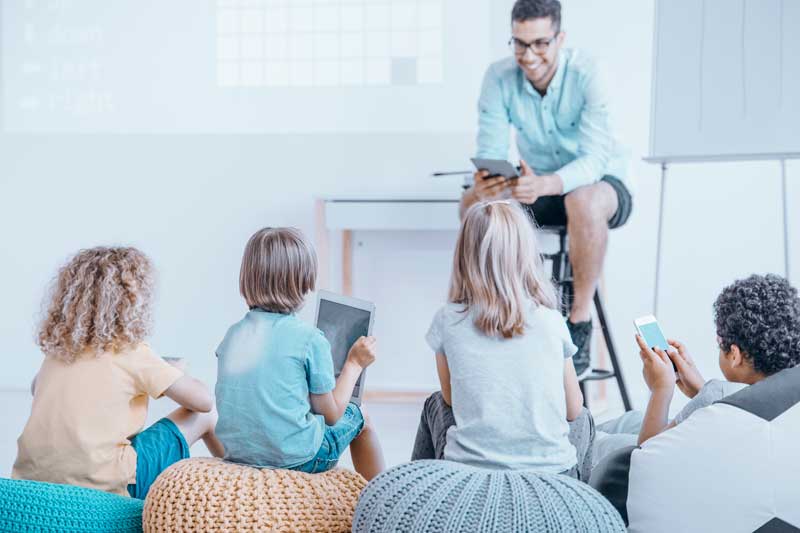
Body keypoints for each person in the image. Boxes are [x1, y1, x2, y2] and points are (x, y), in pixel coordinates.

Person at [460, 0, 633, 378]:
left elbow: (593, 160)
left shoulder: (589, 74)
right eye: (520, 44)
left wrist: (547, 183)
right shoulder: (498, 76)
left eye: (540, 44)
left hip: (599, 185)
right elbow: (489, 150)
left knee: (581, 198)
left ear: (560, 39)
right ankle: (496, 312)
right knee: (473, 202)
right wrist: (491, 180)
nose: (529, 55)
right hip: (536, 185)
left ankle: (580, 322)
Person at [12, 247, 223, 499]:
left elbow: (37, 388)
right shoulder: (132, 352)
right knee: (207, 416)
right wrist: (172, 372)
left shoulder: (58, 352)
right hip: (107, 485)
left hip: (31, 483)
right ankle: (248, 484)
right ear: (133, 302)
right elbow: (202, 401)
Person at [411, 201, 593, 480]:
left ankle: (420, 491)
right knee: (584, 417)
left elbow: (450, 399)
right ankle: (580, 500)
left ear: (463, 257)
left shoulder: (448, 319)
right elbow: (572, 408)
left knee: (435, 403)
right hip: (554, 474)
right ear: (528, 256)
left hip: (469, 473)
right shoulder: (550, 320)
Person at [214, 227, 385, 480]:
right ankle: (382, 501)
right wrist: (354, 364)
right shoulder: (309, 339)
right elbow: (331, 415)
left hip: (239, 454)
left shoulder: (232, 334)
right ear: (305, 280)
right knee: (361, 416)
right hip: (299, 459)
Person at [591, 274, 800, 465]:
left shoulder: (716, 393)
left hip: (652, 465)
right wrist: (700, 390)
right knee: (629, 420)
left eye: (720, 343)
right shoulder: (789, 398)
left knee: (601, 442)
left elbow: (646, 458)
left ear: (735, 355)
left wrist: (660, 389)